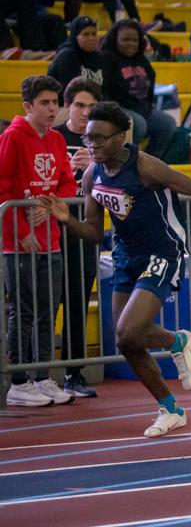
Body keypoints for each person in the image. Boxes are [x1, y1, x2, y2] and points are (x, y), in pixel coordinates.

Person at [40, 101, 191, 436]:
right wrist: (67, 222)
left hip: (162, 251)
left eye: (102, 139)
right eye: (89, 139)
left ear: (121, 137)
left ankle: (177, 342)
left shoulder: (146, 167)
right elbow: (93, 232)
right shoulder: (93, 174)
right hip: (125, 256)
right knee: (125, 340)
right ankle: (170, 409)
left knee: (131, 327)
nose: (94, 146)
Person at [0, 76, 78, 408]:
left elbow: (68, 184)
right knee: (25, 309)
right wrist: (21, 231)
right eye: (44, 102)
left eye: (55, 102)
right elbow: (3, 189)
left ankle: (44, 377)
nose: (52, 108)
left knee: (49, 310)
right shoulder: (13, 138)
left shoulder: (58, 140)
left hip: (52, 241)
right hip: (19, 245)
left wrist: (50, 207)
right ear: (28, 106)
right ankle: (19, 381)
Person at [54, 78, 103, 398]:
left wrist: (94, 168)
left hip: (83, 231)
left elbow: (114, 186)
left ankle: (74, 374)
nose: (85, 112)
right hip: (51, 231)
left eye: (91, 107)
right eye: (79, 105)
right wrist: (71, 170)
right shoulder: (56, 138)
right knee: (43, 303)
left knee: (77, 301)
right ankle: (31, 375)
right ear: (67, 106)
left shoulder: (102, 141)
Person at [100, 20, 177, 160]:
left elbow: (150, 84)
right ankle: (125, 161)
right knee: (138, 124)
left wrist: (146, 107)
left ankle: (151, 161)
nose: (130, 44)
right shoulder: (106, 58)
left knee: (167, 123)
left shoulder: (141, 59)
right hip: (118, 109)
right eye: (125, 40)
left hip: (142, 108)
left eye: (134, 40)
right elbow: (106, 93)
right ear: (115, 39)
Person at [47, 16, 104, 104]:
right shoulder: (66, 55)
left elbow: (106, 90)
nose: (91, 38)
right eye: (86, 34)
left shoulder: (98, 57)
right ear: (75, 36)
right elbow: (68, 93)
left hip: (92, 106)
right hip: (64, 106)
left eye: (94, 34)